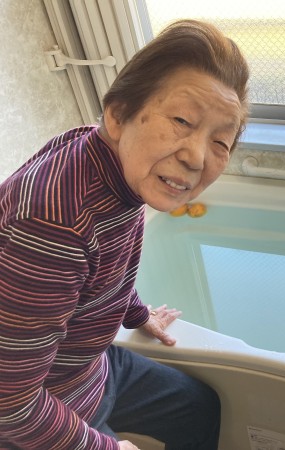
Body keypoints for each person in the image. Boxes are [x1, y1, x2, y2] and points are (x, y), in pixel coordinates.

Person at [0, 19, 249, 450]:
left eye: (220, 143)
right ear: (118, 115)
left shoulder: (113, 165)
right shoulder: (53, 224)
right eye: (182, 120)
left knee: (200, 406)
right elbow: (10, 404)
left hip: (88, 369)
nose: (196, 157)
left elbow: (102, 266)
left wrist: (136, 313)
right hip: (48, 411)